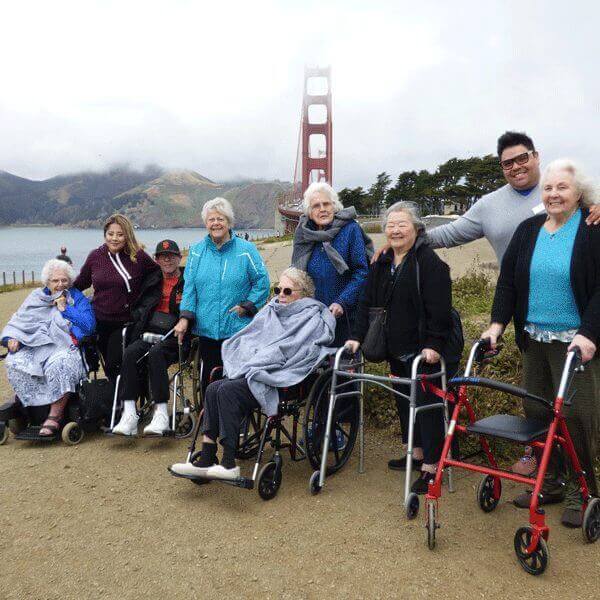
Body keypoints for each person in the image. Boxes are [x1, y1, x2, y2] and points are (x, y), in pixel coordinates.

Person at [481, 159, 600, 528]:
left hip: (576, 345)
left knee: (576, 420)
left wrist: (590, 333)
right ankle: (549, 482)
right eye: (548, 188)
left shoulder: (593, 229)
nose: (553, 194)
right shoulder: (528, 229)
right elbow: (509, 284)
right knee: (537, 414)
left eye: (562, 187)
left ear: (579, 192)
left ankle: (584, 493)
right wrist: (497, 325)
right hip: (534, 339)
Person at [170, 268, 336, 481]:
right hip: (254, 368)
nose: (281, 296)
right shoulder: (271, 310)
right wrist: (248, 356)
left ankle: (229, 463)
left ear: (303, 294)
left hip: (281, 378)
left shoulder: (312, 318)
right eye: (278, 290)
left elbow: (299, 350)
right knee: (212, 389)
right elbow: (251, 337)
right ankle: (207, 458)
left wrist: (265, 359)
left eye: (287, 291)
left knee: (227, 391)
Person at [346, 202, 453, 493]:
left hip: (422, 348)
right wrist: (357, 335)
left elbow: (440, 310)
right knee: (404, 402)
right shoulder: (381, 263)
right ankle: (416, 453)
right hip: (395, 345)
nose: (395, 230)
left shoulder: (429, 263)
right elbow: (367, 303)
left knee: (427, 406)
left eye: (402, 224)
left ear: (417, 228)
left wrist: (433, 344)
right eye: (390, 225)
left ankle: (432, 464)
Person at [374, 131, 600, 265]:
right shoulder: (488, 205)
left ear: (536, 156)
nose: (516, 167)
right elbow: (449, 234)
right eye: (507, 163)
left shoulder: (562, 190)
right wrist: (402, 239)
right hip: (523, 301)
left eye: (522, 158)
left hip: (581, 293)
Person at [174, 198, 270, 394]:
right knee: (209, 383)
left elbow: (262, 282)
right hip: (207, 330)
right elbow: (190, 288)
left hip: (237, 329)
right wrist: (184, 318)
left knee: (234, 385)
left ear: (229, 222)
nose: (216, 223)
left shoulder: (246, 250)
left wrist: (247, 306)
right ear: (206, 223)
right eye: (211, 219)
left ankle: (235, 421)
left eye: (220, 219)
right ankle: (209, 421)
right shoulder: (196, 252)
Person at [1, 259, 95, 437]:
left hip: (67, 346)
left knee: (59, 364)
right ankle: (29, 408)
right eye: (55, 281)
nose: (60, 284)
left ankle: (55, 414)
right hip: (36, 346)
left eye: (64, 280)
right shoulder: (36, 297)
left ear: (70, 281)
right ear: (47, 282)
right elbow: (19, 321)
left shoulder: (76, 298)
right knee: (15, 361)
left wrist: (65, 308)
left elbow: (89, 326)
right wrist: (10, 338)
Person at [111, 240, 190, 436]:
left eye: (172, 255)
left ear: (180, 257)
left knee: (156, 354)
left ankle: (161, 414)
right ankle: (129, 414)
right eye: (163, 257)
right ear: (157, 260)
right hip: (149, 332)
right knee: (129, 353)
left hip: (176, 336)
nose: (168, 260)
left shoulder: (189, 280)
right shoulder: (152, 280)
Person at [74, 214, 160, 380]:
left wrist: (145, 304)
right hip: (99, 322)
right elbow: (80, 283)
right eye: (110, 234)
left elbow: (156, 276)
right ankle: (120, 401)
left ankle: (125, 402)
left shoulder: (139, 256)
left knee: (116, 365)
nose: (114, 238)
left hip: (125, 323)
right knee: (109, 368)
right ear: (105, 234)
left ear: (127, 235)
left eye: (120, 234)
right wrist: (57, 290)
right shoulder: (95, 256)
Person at [292, 181, 372, 346]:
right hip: (313, 318)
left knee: (343, 369)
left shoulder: (350, 229)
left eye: (326, 203)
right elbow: (296, 275)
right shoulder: (304, 234)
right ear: (309, 212)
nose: (322, 209)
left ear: (334, 206)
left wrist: (342, 301)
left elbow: (362, 272)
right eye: (316, 206)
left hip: (346, 317)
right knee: (316, 369)